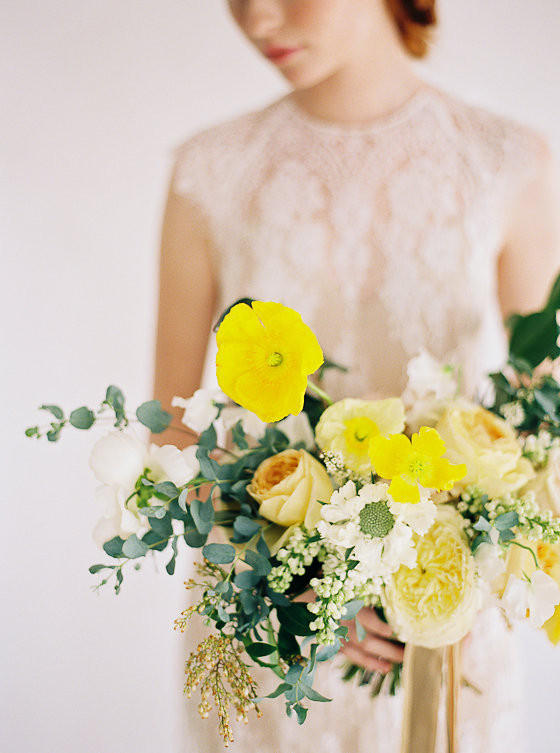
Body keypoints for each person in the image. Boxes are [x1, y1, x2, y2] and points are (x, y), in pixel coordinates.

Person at [153, 1, 560, 750]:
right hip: (269, 640)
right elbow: (173, 427)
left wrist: (469, 567)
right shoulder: (209, 170)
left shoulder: (506, 161)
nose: (258, 17)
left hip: (449, 639)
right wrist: (292, 587)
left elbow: (546, 414)